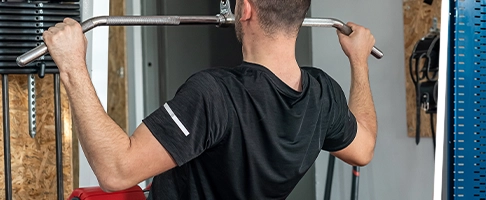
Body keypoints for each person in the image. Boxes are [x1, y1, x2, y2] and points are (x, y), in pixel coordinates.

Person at [41, 0, 378, 198]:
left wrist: (72, 65)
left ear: (244, 10)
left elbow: (116, 170)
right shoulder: (322, 94)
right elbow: (363, 150)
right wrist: (359, 61)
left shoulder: (216, 95)